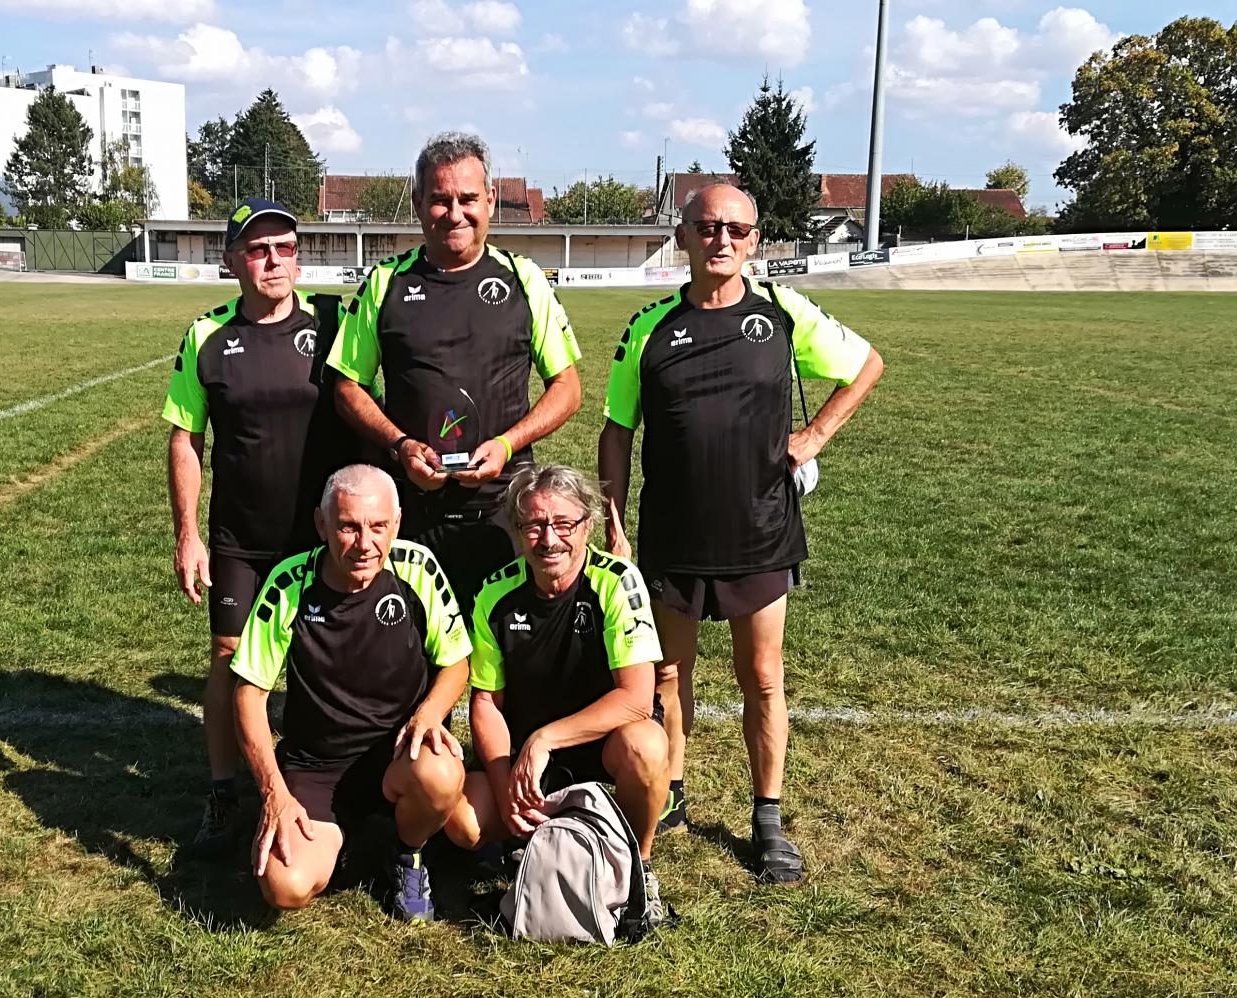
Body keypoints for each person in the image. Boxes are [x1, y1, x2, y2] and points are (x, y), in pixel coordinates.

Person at [597, 184, 886, 883]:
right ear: (684, 236)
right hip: (672, 533)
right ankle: (670, 795)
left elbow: (867, 364)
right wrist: (613, 521)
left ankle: (767, 818)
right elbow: (616, 431)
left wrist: (816, 433)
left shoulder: (782, 313)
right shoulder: (649, 328)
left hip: (761, 531)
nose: (720, 238)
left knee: (762, 678)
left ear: (753, 239)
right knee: (669, 675)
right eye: (706, 226)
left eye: (735, 228)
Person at [164, 199, 363, 856]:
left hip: (324, 537)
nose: (273, 259)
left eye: (284, 246)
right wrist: (188, 533)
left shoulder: (335, 321)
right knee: (228, 659)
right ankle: (225, 792)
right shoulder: (207, 336)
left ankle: (328, 781)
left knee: (322, 660)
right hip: (241, 540)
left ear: (298, 255)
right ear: (232, 261)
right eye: (257, 248)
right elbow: (185, 438)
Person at [327, 131, 583, 610]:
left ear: (489, 201)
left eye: (468, 198)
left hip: (505, 508)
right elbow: (347, 386)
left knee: (506, 664)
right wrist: (400, 446)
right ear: (418, 202)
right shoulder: (387, 282)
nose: (455, 212)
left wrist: (507, 445)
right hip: (411, 510)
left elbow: (567, 388)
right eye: (440, 200)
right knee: (413, 661)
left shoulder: (523, 278)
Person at [230, 464, 473, 922]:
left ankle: (407, 853)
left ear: (396, 524)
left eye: (378, 527)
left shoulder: (417, 568)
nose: (365, 544)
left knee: (442, 776)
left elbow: (457, 661)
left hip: (398, 754)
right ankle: (355, 840)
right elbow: (248, 695)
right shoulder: (289, 583)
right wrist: (273, 792)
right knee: (286, 886)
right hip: (317, 764)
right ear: (322, 525)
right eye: (348, 527)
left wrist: (429, 715)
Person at [442, 465, 671, 925]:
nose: (549, 539)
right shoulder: (494, 593)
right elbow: (485, 702)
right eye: (534, 525)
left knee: (646, 745)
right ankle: (520, 842)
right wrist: (505, 779)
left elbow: (637, 698)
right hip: (528, 763)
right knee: (464, 823)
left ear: (587, 526)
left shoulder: (617, 581)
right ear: (517, 528)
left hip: (599, 748)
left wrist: (545, 739)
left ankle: (640, 870)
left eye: (564, 524)